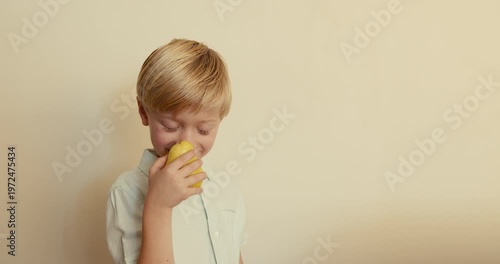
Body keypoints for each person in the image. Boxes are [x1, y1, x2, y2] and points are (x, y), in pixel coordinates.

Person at [106, 38, 248, 264]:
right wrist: (159, 205)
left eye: (203, 130)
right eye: (170, 127)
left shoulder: (227, 188)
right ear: (144, 113)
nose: (188, 142)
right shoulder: (126, 193)